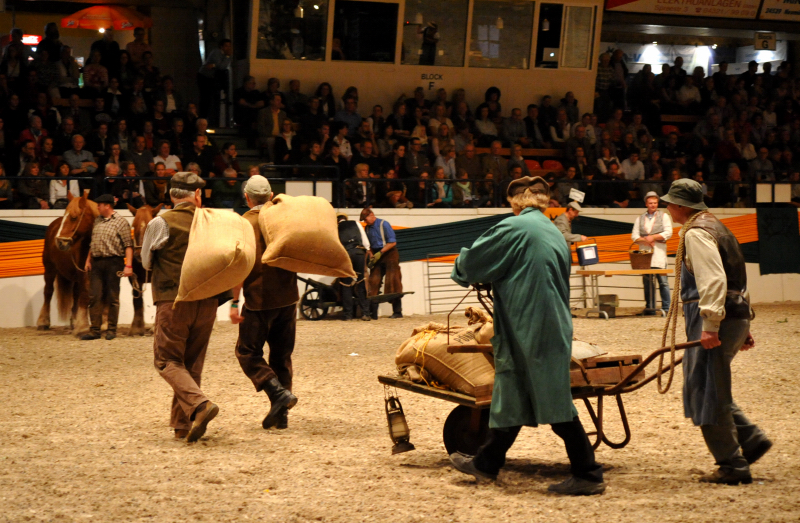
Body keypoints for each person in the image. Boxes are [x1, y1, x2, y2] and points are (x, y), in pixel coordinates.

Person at [448, 176, 605, 495]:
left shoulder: (514, 227)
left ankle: (588, 474)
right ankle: (486, 463)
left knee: (553, 399)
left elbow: (472, 263)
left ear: (515, 202)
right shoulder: (553, 231)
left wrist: (460, 266)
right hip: (549, 322)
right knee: (514, 392)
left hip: (530, 325)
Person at [661, 179, 771, 485]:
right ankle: (750, 439)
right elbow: (736, 279)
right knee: (714, 385)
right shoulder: (718, 227)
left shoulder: (697, 232)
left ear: (681, 205)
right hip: (733, 316)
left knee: (706, 389)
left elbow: (714, 281)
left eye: (670, 202)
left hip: (715, 319)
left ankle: (732, 464)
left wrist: (711, 325)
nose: (668, 207)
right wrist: (743, 324)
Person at [140, 172, 220, 442]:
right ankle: (183, 426)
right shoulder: (211, 222)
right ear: (196, 195)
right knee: (191, 363)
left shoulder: (160, 222)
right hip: (207, 300)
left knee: (167, 360)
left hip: (174, 299)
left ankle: (200, 405)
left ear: (171, 195)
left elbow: (146, 262)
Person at [229, 176, 299, 430]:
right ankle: (281, 416)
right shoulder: (284, 219)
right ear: (271, 196)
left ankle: (277, 394)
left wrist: (234, 302)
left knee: (247, 352)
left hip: (259, 300)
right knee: (282, 356)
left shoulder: (243, 224)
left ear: (247, 198)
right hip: (288, 298)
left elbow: (239, 266)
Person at [79, 193, 133, 341]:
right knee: (94, 296)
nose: (97, 207)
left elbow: (128, 245)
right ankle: (95, 330)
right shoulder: (97, 220)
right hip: (97, 262)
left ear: (107, 206)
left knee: (112, 297)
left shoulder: (121, 222)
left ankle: (112, 329)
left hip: (114, 262)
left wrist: (128, 265)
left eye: (100, 205)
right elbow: (93, 243)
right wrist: (88, 260)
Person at [631, 191, 673, 315]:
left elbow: (668, 232)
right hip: (645, 254)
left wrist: (653, 237)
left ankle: (667, 308)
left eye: (655, 203)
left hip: (659, 252)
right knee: (647, 282)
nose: (653, 205)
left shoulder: (664, 216)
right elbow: (634, 236)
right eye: (650, 203)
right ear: (646, 204)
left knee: (663, 281)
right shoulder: (640, 218)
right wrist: (646, 240)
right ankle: (650, 308)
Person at [361, 207, 403, 319]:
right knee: (373, 281)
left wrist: (381, 252)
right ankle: (372, 312)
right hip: (377, 254)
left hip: (390, 253)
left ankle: (397, 311)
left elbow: (392, 242)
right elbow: (368, 244)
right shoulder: (367, 228)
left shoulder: (384, 224)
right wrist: (371, 255)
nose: (365, 221)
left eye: (365, 219)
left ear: (371, 215)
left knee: (393, 280)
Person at [337, 213, 371, 321]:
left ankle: (348, 315)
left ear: (337, 220)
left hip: (346, 255)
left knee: (346, 284)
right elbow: (366, 243)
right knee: (360, 282)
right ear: (345, 218)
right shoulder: (356, 223)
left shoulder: (336, 228)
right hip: (358, 253)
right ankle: (365, 313)